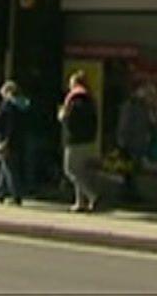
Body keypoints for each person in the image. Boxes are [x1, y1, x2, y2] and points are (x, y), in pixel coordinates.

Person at [57, 71, 101, 213]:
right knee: (81, 172)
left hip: (75, 140)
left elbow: (72, 119)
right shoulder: (89, 98)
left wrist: (63, 116)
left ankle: (92, 196)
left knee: (70, 170)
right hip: (89, 140)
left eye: (71, 82)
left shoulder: (74, 99)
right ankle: (80, 202)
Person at [0, 80, 28, 206]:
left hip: (7, 140)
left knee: (10, 169)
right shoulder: (22, 105)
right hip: (18, 140)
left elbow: (6, 125)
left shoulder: (8, 106)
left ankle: (16, 196)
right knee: (6, 168)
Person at [114, 85, 155, 204]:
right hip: (130, 143)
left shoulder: (142, 106)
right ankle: (127, 193)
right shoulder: (130, 106)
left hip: (138, 143)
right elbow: (124, 125)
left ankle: (129, 193)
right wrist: (122, 142)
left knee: (132, 170)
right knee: (128, 171)